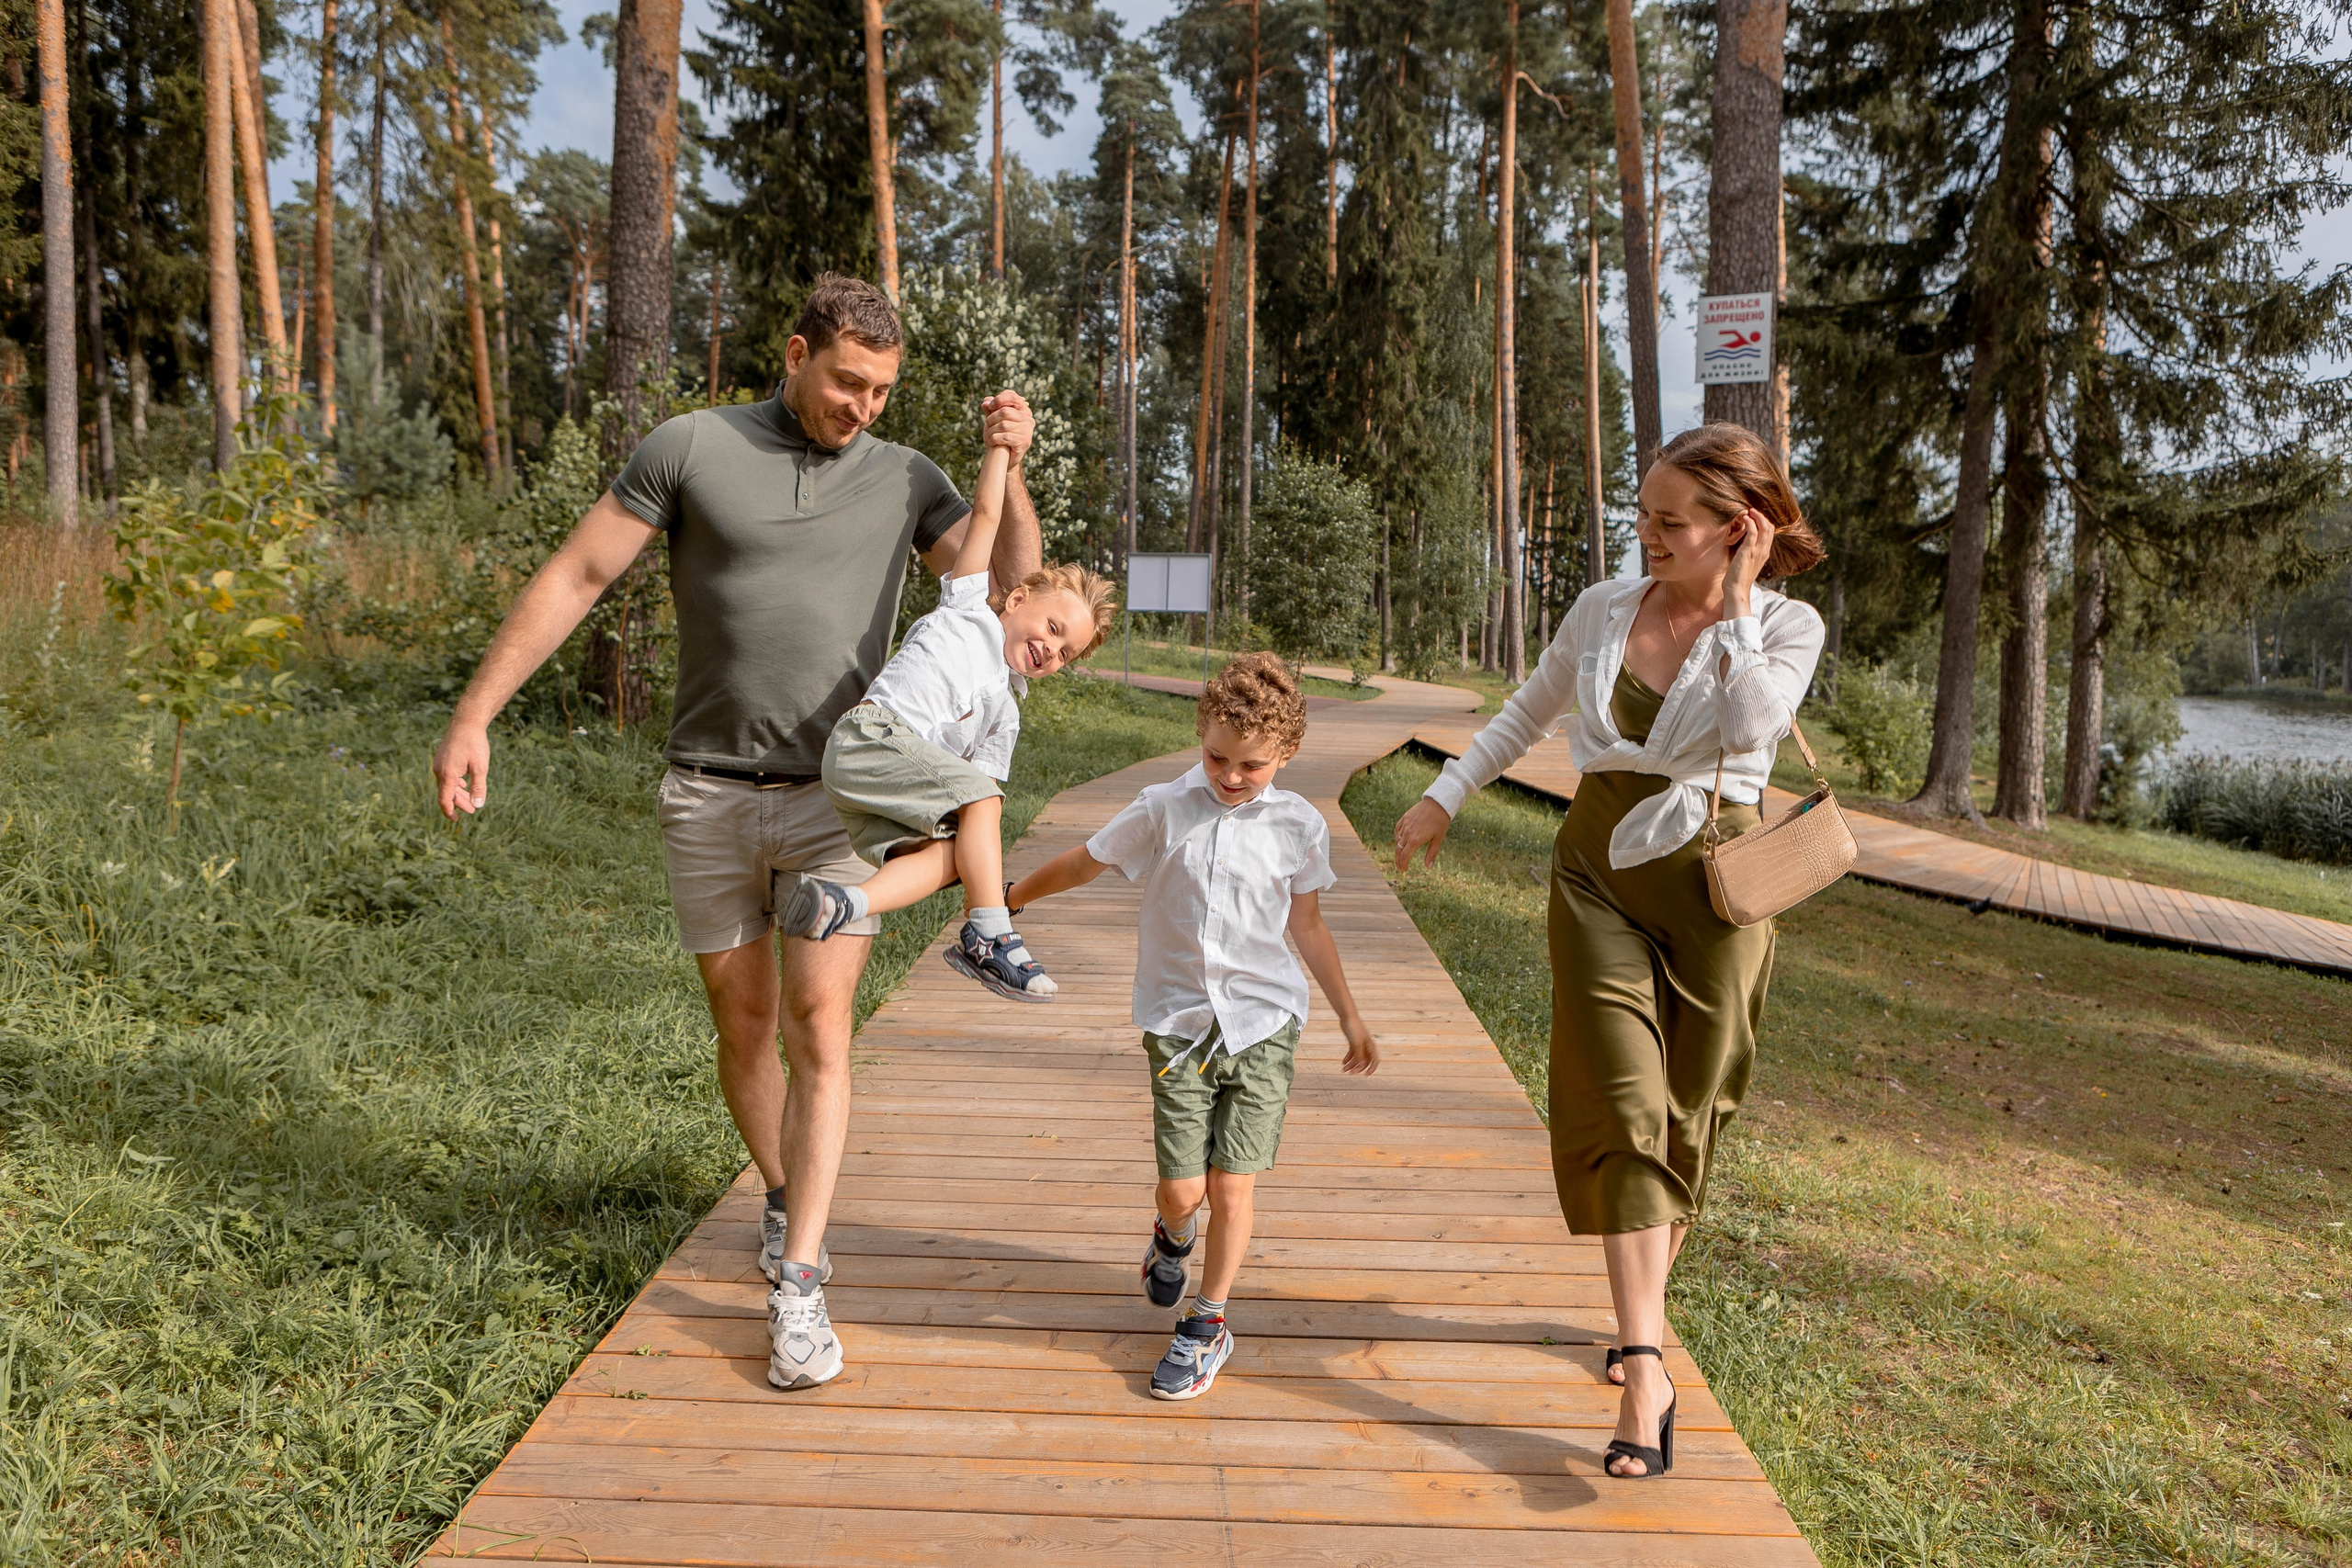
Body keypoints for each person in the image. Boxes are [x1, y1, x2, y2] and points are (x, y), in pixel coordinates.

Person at [430, 274, 1043, 1393]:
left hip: (837, 795)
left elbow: (1013, 581)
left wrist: (1011, 458)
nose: (862, 406)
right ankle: (781, 1191)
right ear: (797, 353)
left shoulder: (907, 477)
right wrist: (475, 715)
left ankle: (799, 1282)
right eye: (847, 382)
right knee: (745, 1024)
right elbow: (578, 573)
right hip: (706, 792)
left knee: (819, 1026)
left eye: (881, 391)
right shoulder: (691, 447)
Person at [1391, 422, 1826, 1478]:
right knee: (1622, 1103)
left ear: (1739, 528)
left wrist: (1734, 606)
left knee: (1687, 1114)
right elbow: (1526, 708)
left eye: (1671, 522)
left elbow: (1755, 726)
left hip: (1718, 887)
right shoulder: (1601, 608)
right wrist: (1446, 793)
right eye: (1644, 515)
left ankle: (1640, 1317)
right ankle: (1643, 1366)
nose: (1649, 536)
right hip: (1596, 871)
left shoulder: (1786, 624)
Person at [1006, 654, 1380, 1402]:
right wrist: (1009, 897)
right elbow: (1085, 862)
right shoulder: (1164, 807)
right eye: (1216, 757)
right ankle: (1171, 1235)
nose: (1231, 776)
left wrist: (1350, 1014)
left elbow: (1307, 924)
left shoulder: (1300, 826)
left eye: (1252, 764)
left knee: (1231, 1187)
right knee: (1183, 1191)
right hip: (1179, 1024)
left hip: (1264, 1024)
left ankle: (1206, 1322)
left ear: (1287, 753)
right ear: (1200, 735)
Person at [781, 433, 1117, 1005]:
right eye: (1052, 628)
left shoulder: (1006, 713)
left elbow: (979, 813)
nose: (1051, 650)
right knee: (983, 801)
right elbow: (985, 514)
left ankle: (843, 903)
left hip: (877, 782)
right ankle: (990, 934)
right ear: (1016, 600)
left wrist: (976, 866)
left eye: (1065, 653)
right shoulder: (967, 610)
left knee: (955, 856)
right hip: (872, 738)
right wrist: (1000, 451)